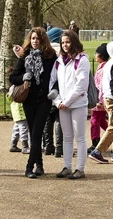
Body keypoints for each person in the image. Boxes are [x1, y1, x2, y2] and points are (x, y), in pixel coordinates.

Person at [10, 27, 57, 178]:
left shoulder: (50, 57)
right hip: (29, 100)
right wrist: (24, 76)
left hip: (44, 100)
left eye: (37, 38)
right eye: (32, 38)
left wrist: (54, 91)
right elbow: (13, 77)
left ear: (43, 40)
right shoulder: (25, 57)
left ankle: (29, 167)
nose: (35, 41)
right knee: (33, 134)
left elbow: (56, 77)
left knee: (36, 134)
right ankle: (40, 165)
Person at [48, 30, 89, 179]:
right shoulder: (59, 61)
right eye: (63, 42)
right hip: (62, 104)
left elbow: (81, 85)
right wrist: (57, 100)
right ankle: (67, 166)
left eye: (68, 42)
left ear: (74, 42)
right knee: (66, 137)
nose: (65, 45)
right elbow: (52, 82)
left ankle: (80, 168)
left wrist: (67, 101)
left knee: (80, 137)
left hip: (77, 104)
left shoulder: (82, 59)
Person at [43, 27, 64, 158]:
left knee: (48, 119)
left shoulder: (46, 51)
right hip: (61, 87)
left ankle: (48, 146)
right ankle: (59, 148)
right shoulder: (62, 51)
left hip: (47, 87)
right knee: (59, 119)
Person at [88, 44, 109, 154]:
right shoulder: (101, 66)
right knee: (101, 122)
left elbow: (101, 86)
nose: (95, 56)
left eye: (96, 54)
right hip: (99, 98)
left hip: (99, 100)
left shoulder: (103, 69)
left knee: (94, 121)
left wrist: (99, 101)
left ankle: (95, 142)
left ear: (100, 55)